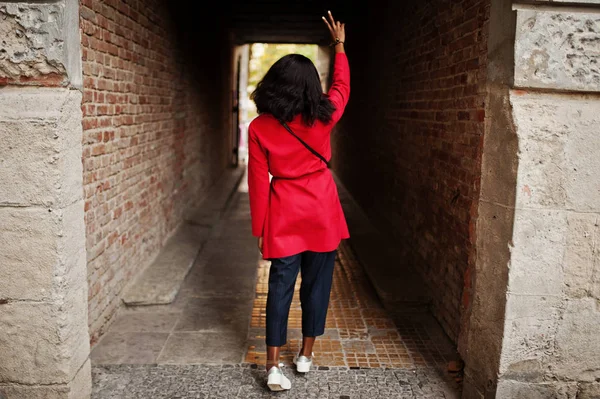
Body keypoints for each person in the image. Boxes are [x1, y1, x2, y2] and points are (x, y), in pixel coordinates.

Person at [247, 11, 350, 391]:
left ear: (275, 85)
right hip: (322, 210)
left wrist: (260, 229)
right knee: (318, 285)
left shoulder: (259, 127)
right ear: (311, 87)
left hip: (285, 212)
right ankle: (305, 355)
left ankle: (273, 366)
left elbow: (258, 182)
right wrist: (339, 45)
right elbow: (342, 85)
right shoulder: (324, 117)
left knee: (279, 287)